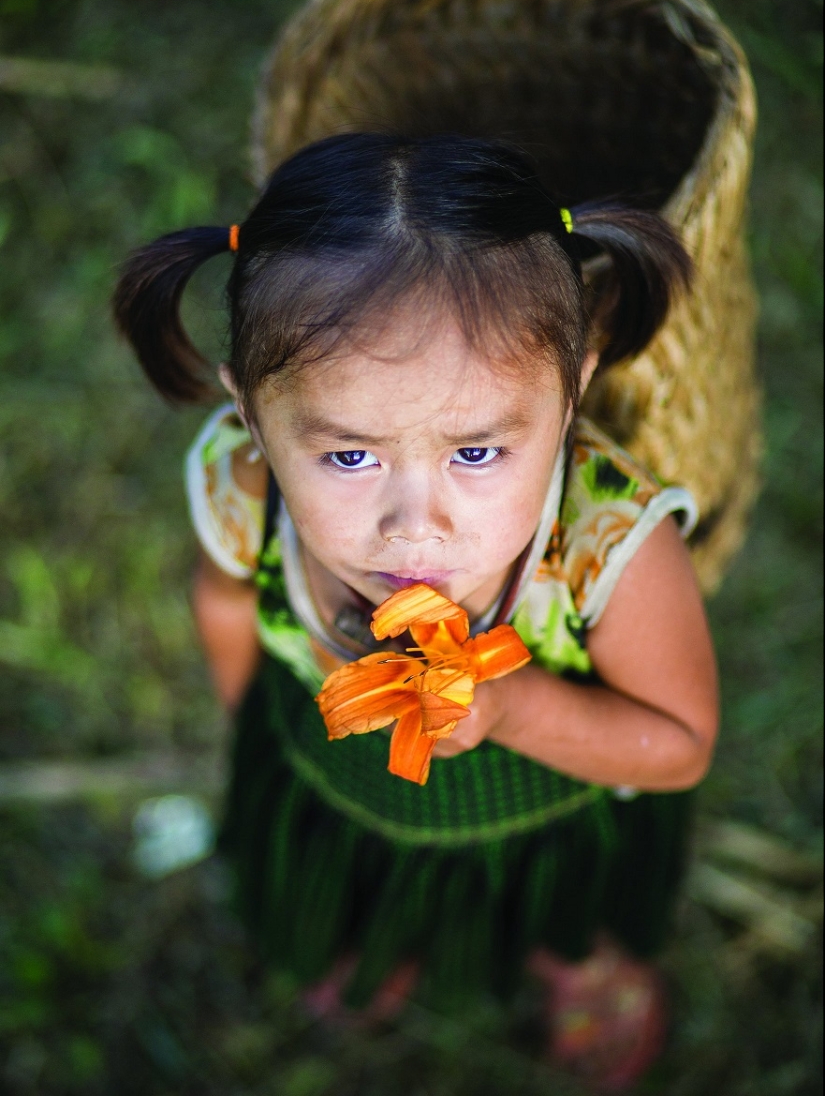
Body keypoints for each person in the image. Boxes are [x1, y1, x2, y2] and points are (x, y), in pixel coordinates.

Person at [113, 133, 718, 1092]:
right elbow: (222, 596)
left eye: (476, 453)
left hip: (540, 832)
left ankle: (579, 963)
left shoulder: (605, 549)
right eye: (349, 456)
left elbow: (679, 742)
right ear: (252, 418)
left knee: (558, 914)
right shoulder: (244, 492)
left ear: (571, 395)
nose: (415, 526)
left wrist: (512, 710)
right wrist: (255, 724)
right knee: (339, 900)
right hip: (332, 791)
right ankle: (365, 939)